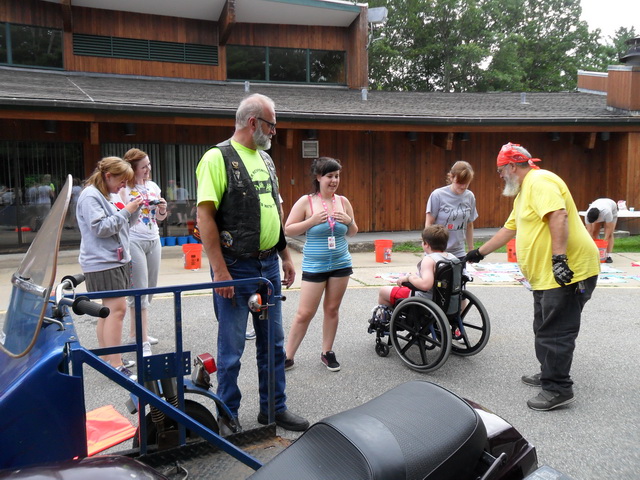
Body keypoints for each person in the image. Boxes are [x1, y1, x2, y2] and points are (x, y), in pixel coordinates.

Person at [196, 93, 309, 434]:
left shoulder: (266, 160)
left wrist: (285, 255)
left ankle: (273, 409)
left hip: (267, 267)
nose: (275, 132)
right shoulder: (217, 158)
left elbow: (274, 210)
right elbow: (205, 217)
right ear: (253, 122)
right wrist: (219, 270)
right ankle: (227, 414)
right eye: (272, 125)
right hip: (236, 267)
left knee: (272, 344)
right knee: (230, 350)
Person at [465, 142, 600, 411]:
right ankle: (548, 372)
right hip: (544, 276)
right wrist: (478, 253)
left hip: (566, 272)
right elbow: (509, 229)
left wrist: (560, 259)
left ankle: (558, 388)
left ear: (512, 166)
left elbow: (558, 215)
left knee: (556, 331)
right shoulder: (524, 192)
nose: (500, 176)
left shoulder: (540, 180)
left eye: (500, 170)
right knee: (543, 327)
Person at [284, 157, 358, 372]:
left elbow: (353, 232)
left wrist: (348, 221)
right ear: (318, 177)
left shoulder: (343, 202)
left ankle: (327, 352)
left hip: (341, 263)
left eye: (337, 176)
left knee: (332, 309)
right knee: (305, 313)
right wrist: (311, 221)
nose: (334, 180)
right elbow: (288, 229)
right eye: (329, 176)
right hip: (315, 266)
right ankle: (288, 356)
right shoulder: (306, 201)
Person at [76, 157, 143, 378]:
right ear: (108, 176)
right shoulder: (90, 196)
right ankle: (115, 365)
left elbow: (122, 225)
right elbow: (101, 229)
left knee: (107, 312)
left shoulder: (107, 195)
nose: (123, 186)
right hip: (103, 262)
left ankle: (107, 358)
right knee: (117, 311)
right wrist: (126, 211)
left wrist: (134, 211)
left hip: (113, 260)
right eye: (122, 181)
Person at [120, 148, 168, 355]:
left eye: (149, 165)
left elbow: (160, 219)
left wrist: (163, 209)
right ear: (133, 169)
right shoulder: (124, 189)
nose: (148, 169)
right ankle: (142, 340)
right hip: (134, 240)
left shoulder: (153, 186)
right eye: (144, 166)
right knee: (139, 289)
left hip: (153, 238)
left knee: (150, 287)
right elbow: (120, 215)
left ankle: (136, 334)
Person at [378, 225, 456, 307]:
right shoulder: (452, 258)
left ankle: (391, 318)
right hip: (447, 300)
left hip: (426, 299)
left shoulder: (429, 260)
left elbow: (425, 285)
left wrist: (409, 278)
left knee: (383, 291)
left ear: (426, 244)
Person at [425, 161, 478, 263]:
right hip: (437, 252)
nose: (463, 186)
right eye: (459, 182)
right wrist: (429, 248)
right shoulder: (437, 195)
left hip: (459, 252)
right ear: (451, 178)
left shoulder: (470, 196)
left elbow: (469, 224)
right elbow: (429, 224)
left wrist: (471, 249)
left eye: (466, 183)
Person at [584, 198, 618, 263]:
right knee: (594, 232)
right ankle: (594, 254)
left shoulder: (607, 212)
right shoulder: (587, 215)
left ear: (599, 217)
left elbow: (608, 227)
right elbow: (589, 231)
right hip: (599, 205)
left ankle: (608, 256)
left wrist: (605, 240)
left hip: (612, 208)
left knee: (610, 234)